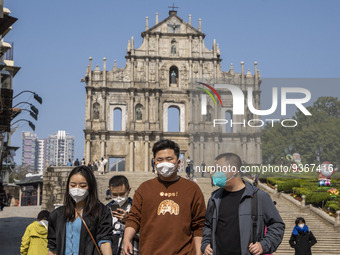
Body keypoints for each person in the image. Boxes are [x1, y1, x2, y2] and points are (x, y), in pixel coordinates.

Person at [123, 139, 206, 255]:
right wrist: (126, 240)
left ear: (178, 162)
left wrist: (199, 252)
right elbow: (134, 218)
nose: (164, 163)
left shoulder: (192, 189)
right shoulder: (144, 188)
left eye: (169, 159)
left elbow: (199, 224)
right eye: (160, 160)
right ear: (154, 163)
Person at [201, 153, 285, 255]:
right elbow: (207, 226)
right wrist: (205, 244)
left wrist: (264, 245)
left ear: (234, 170)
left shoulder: (258, 197)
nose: (214, 173)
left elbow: (277, 225)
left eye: (219, 170)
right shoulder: (214, 198)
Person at [47, 166, 113, 255]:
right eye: (73, 185)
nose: (77, 189)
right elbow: (52, 247)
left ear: (91, 187)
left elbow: (105, 242)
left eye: (83, 186)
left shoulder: (101, 212)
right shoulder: (57, 214)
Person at [106, 175, 139, 255]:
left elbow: (147, 234)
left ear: (129, 190)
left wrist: (129, 221)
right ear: (110, 191)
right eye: (114, 194)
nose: (118, 197)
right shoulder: (105, 210)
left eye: (122, 194)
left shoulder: (137, 208)